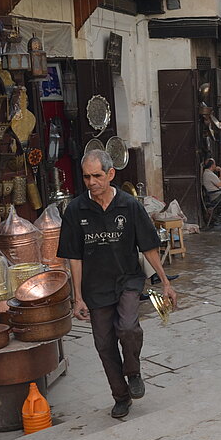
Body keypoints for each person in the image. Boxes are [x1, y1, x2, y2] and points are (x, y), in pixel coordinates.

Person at [58, 150, 178, 419]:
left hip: (127, 280)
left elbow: (148, 247)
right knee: (104, 345)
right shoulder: (76, 210)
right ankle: (120, 396)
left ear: (110, 174)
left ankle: (133, 371)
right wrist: (77, 298)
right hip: (95, 287)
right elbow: (73, 258)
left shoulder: (129, 205)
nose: (91, 182)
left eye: (97, 176)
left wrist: (166, 283)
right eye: (87, 177)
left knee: (127, 328)